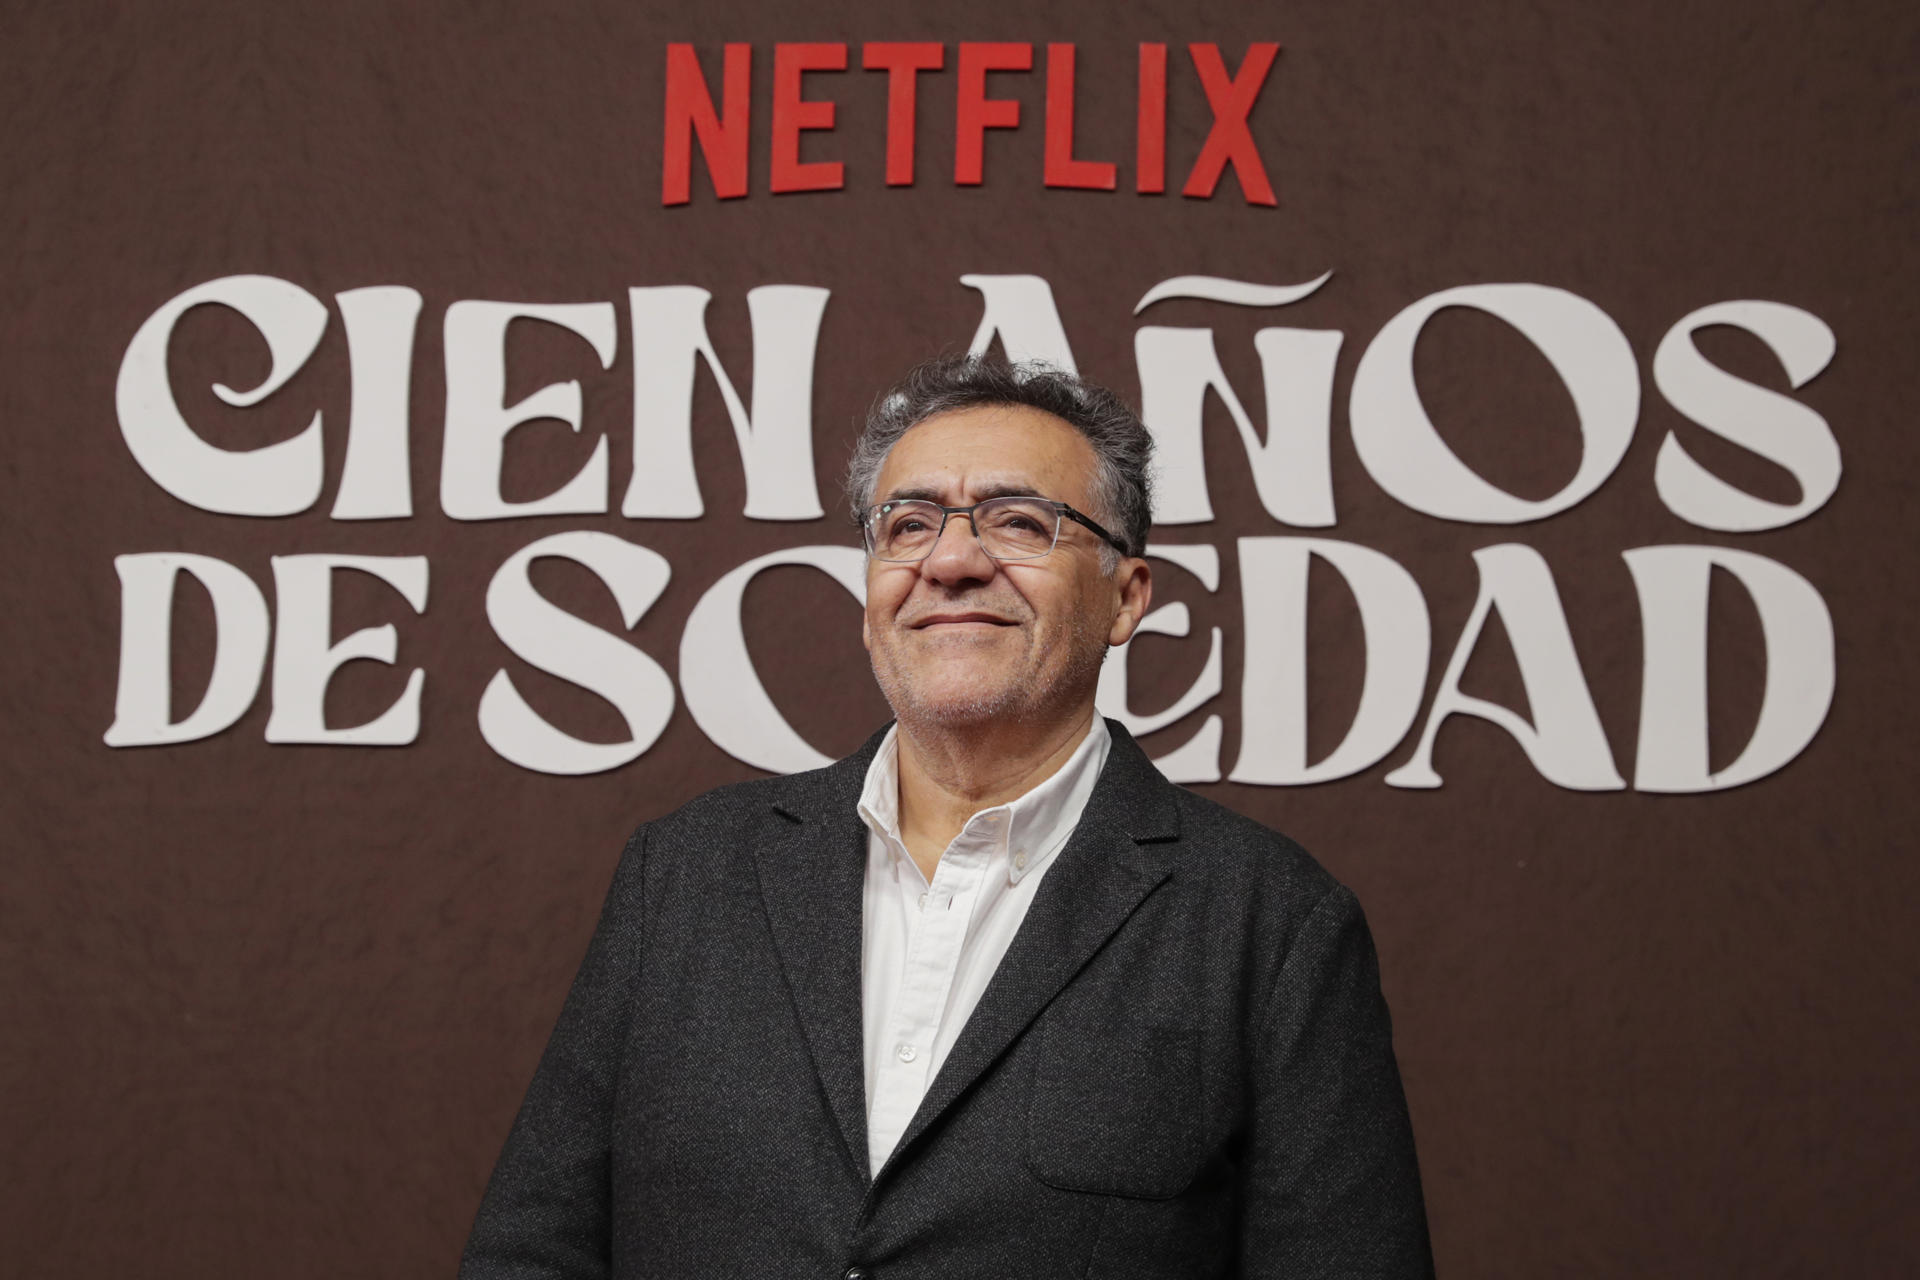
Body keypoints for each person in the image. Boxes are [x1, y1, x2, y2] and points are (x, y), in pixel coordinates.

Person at [460, 354, 1433, 1278]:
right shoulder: (683, 872)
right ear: (872, 588)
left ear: (1126, 594)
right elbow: (532, 1249)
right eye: (910, 524)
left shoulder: (1272, 924)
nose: (951, 560)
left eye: (1018, 521)